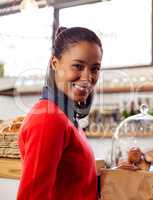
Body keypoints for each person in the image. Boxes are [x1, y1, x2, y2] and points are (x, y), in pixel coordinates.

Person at [17, 27, 103, 199]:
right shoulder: (49, 119)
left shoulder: (65, 117)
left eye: (94, 68)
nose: (87, 78)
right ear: (55, 63)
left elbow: (70, 184)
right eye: (78, 66)